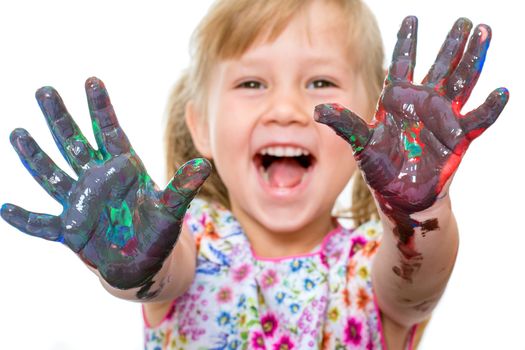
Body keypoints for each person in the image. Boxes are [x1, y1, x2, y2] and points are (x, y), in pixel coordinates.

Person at [0, 0, 508, 349]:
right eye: (250, 82)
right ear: (200, 125)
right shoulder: (189, 247)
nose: (286, 107)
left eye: (320, 81)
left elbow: (418, 284)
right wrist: (136, 263)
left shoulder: (374, 264)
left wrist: (418, 214)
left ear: (375, 118)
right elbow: (159, 279)